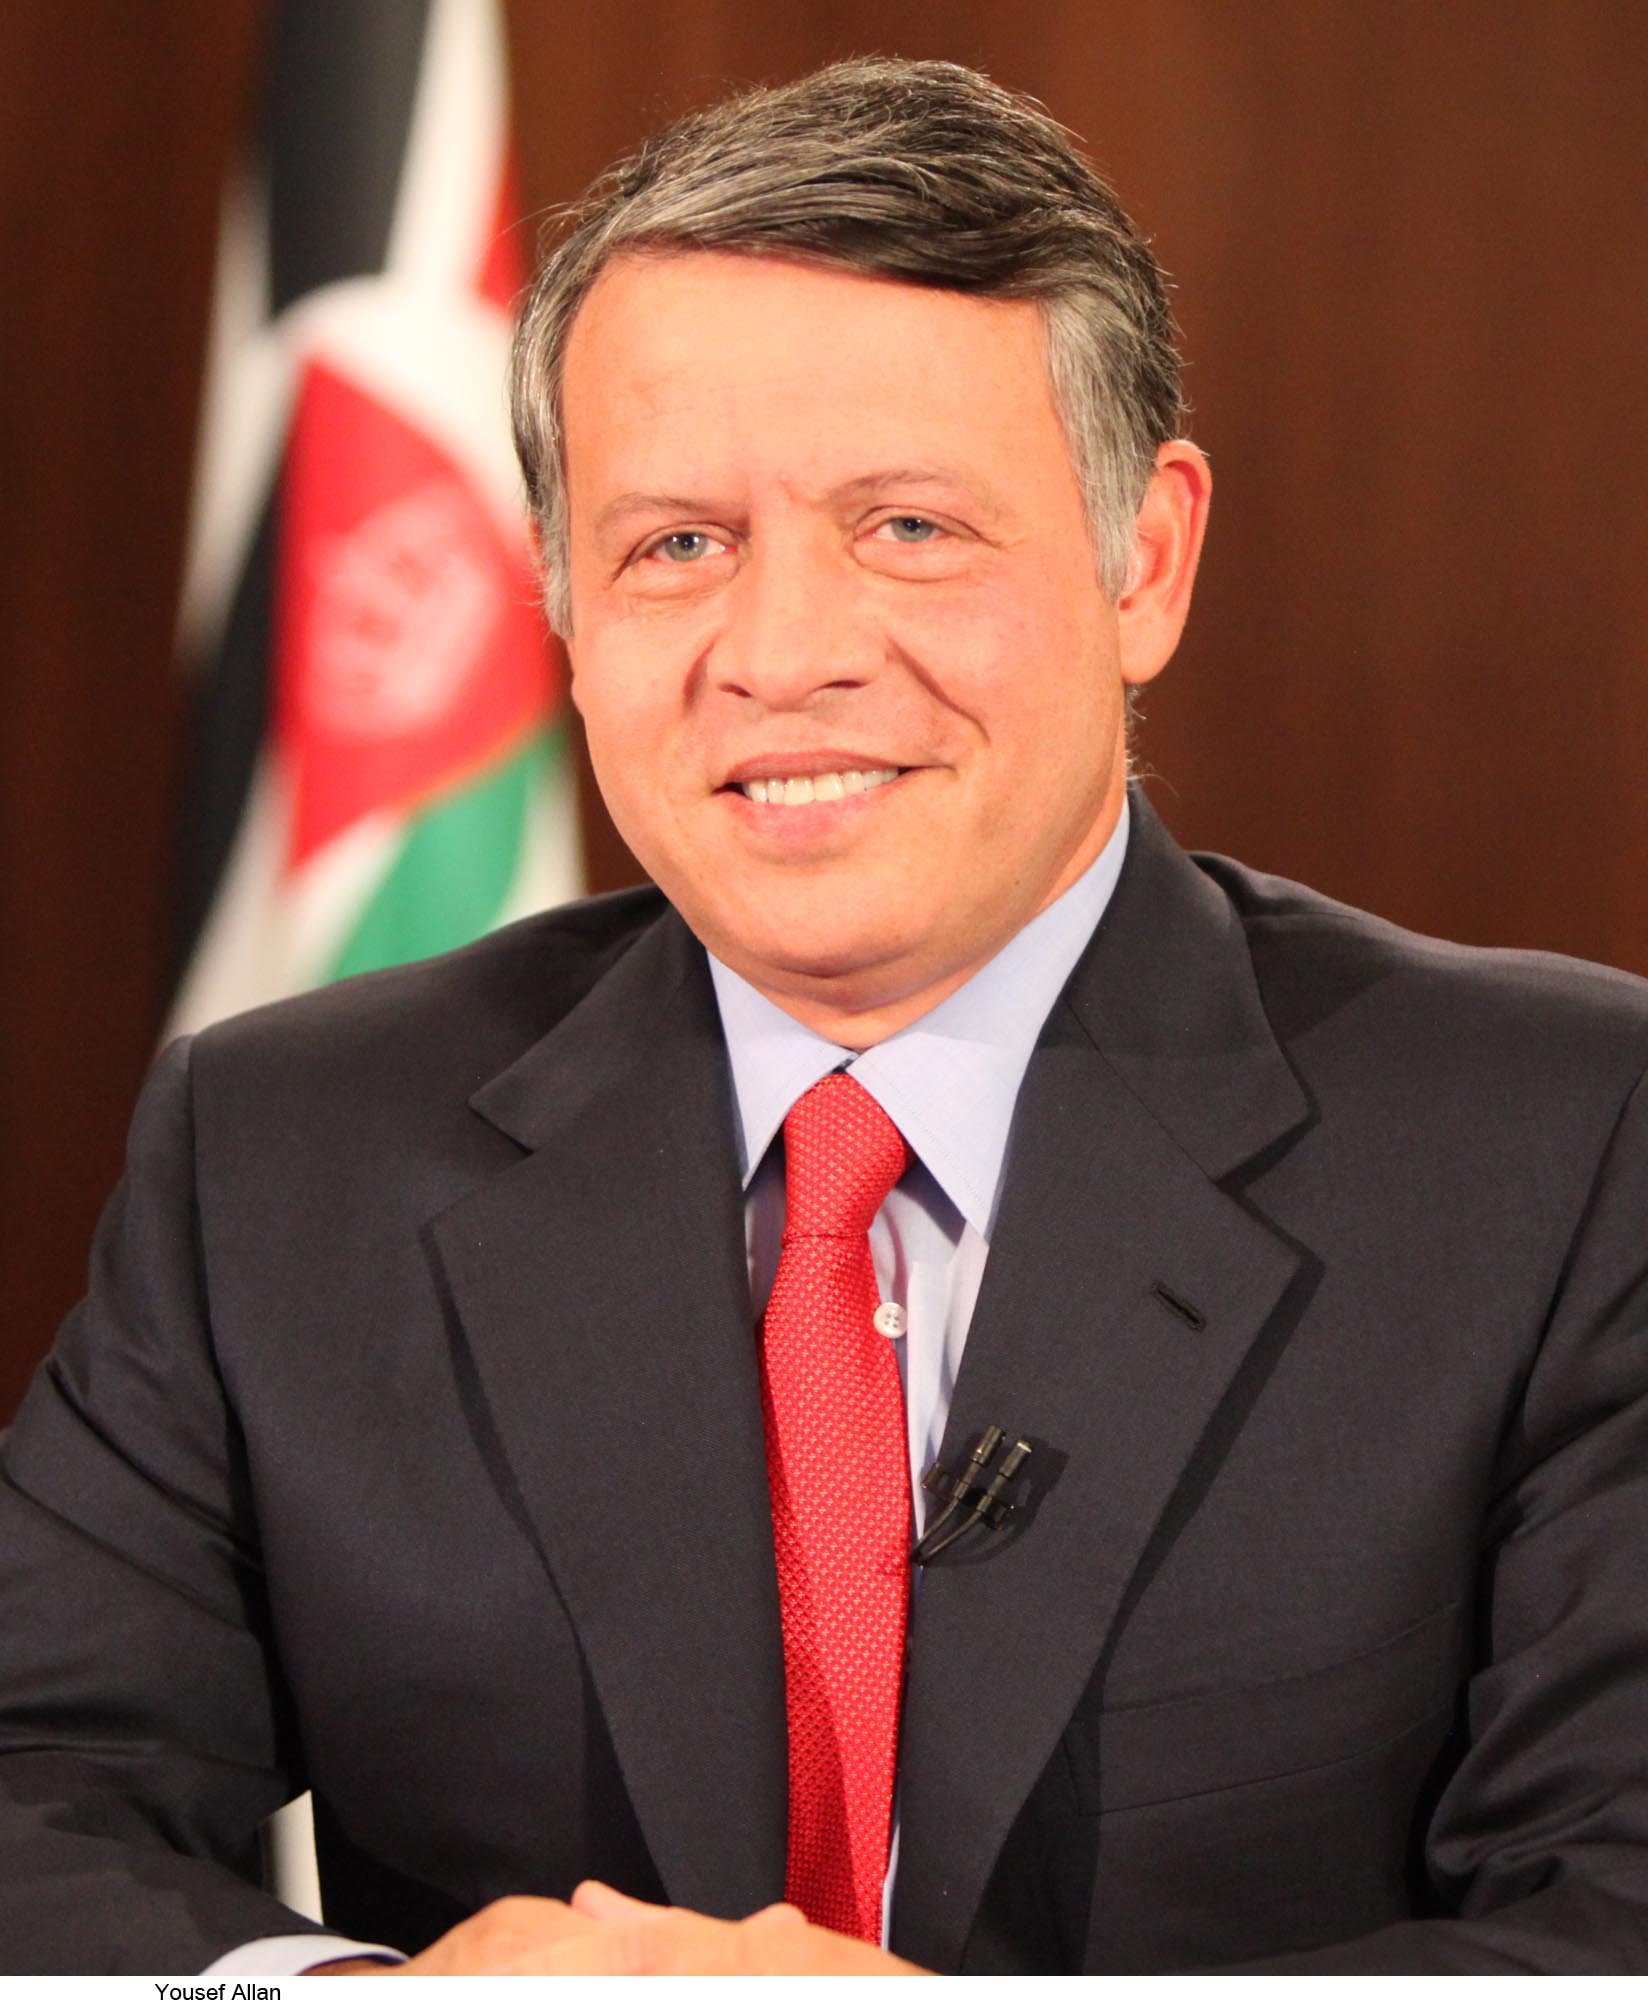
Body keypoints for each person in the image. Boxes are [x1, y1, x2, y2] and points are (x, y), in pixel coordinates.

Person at [2, 56, 1646, 1977]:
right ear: (559, 595)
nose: (782, 655)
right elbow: (36, 1787)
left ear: (1145, 557)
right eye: (676, 544)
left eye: (908, 528)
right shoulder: (282, 1149)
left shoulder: (1561, 1146)